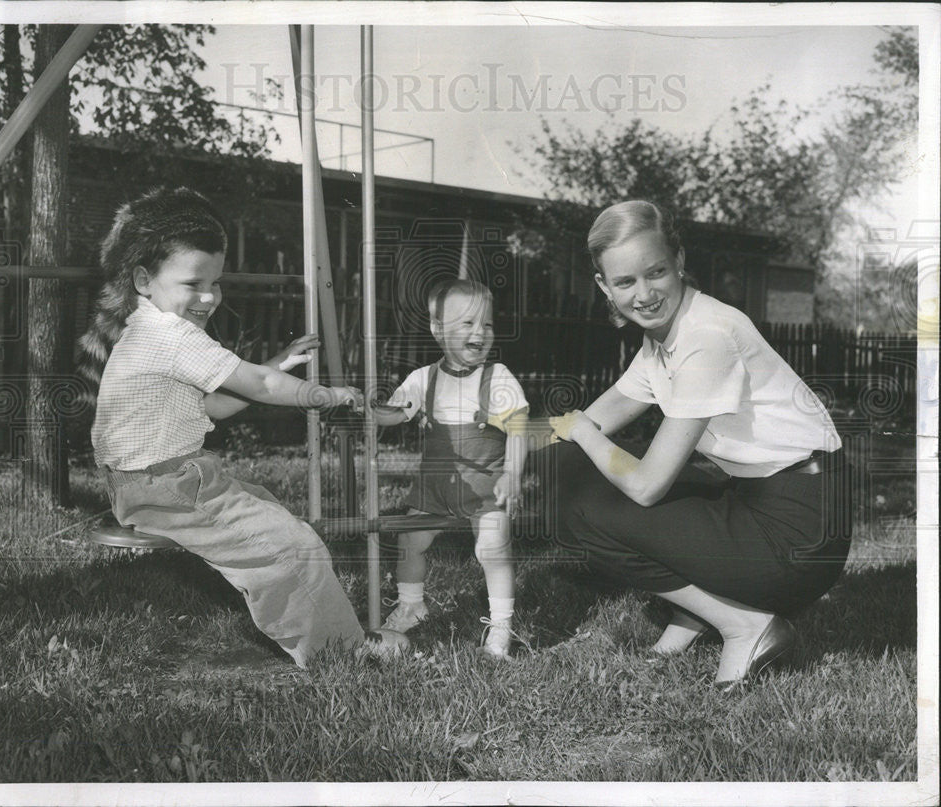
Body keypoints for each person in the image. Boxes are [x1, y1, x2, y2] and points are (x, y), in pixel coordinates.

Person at [77, 186, 408, 668]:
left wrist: (277, 363)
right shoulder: (173, 336)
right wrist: (326, 394)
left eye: (217, 282)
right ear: (144, 280)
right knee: (291, 547)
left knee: (275, 518)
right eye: (193, 283)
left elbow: (217, 402)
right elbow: (258, 386)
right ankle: (342, 654)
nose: (209, 296)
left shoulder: (149, 328)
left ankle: (329, 631)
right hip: (168, 484)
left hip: (162, 479)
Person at [547, 200, 850, 688]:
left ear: (679, 261)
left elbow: (644, 484)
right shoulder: (662, 336)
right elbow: (593, 419)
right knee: (565, 471)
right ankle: (697, 614)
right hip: (760, 503)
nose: (644, 294)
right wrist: (512, 446)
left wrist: (578, 432)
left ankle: (745, 625)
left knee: (589, 508)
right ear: (605, 286)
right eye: (626, 282)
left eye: (656, 273)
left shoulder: (705, 335)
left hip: (801, 535)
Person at [373, 279, 530, 659]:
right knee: (410, 541)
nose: (480, 332)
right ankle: (412, 605)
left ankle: (501, 625)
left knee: (493, 548)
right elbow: (393, 416)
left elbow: (520, 427)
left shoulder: (497, 377)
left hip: (486, 487)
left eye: (487, 324)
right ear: (438, 330)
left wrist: (513, 473)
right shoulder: (423, 379)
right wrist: (368, 407)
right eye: (467, 324)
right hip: (436, 485)